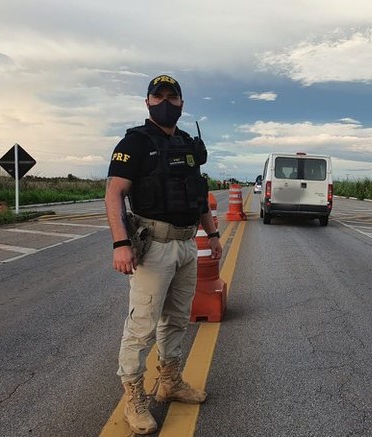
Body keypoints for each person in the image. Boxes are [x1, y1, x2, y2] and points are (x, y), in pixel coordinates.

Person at [105, 73, 223, 434]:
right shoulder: (134, 143)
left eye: (173, 98)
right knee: (141, 328)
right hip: (152, 247)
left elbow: (198, 195)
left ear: (182, 105)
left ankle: (170, 381)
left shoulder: (187, 144)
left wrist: (213, 233)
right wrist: (121, 244)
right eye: (159, 98)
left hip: (187, 244)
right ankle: (134, 396)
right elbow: (114, 194)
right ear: (148, 103)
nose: (166, 103)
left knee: (175, 319)